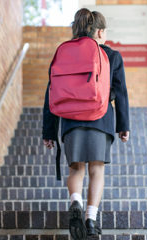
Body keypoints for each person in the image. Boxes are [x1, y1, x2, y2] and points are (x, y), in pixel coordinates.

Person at [42, 8, 130, 239]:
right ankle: (90, 219)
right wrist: (123, 125)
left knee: (76, 168)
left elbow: (50, 92)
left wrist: (48, 130)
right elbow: (120, 92)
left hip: (70, 119)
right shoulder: (112, 55)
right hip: (100, 117)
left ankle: (75, 202)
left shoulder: (65, 52)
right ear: (100, 32)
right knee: (96, 169)